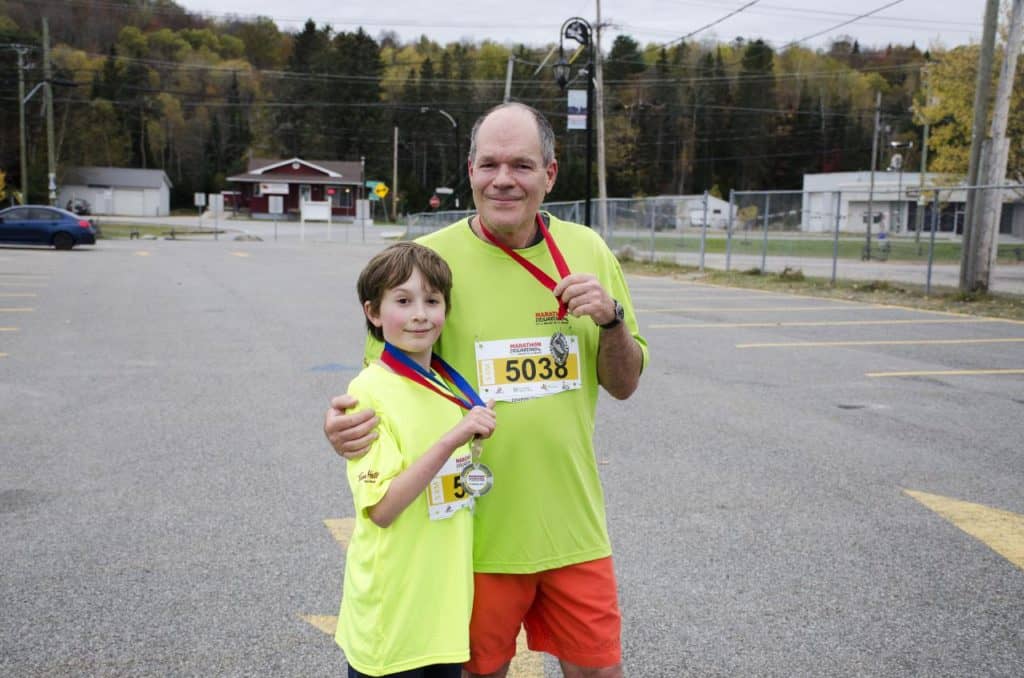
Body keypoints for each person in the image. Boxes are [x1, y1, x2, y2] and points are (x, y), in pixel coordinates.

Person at [325, 102, 648, 678]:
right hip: (472, 532)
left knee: (600, 671)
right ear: (470, 170)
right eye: (490, 164)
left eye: (522, 165)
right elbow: (380, 383)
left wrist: (612, 320)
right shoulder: (431, 262)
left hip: (573, 525)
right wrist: (344, 427)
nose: (504, 179)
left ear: (550, 174)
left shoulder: (589, 251)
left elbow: (623, 385)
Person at [335, 241, 497, 678]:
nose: (420, 314)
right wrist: (453, 438)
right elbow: (383, 509)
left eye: (432, 300)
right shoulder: (367, 392)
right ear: (373, 312)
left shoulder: (447, 385)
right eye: (402, 301)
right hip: (392, 615)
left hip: (443, 612)